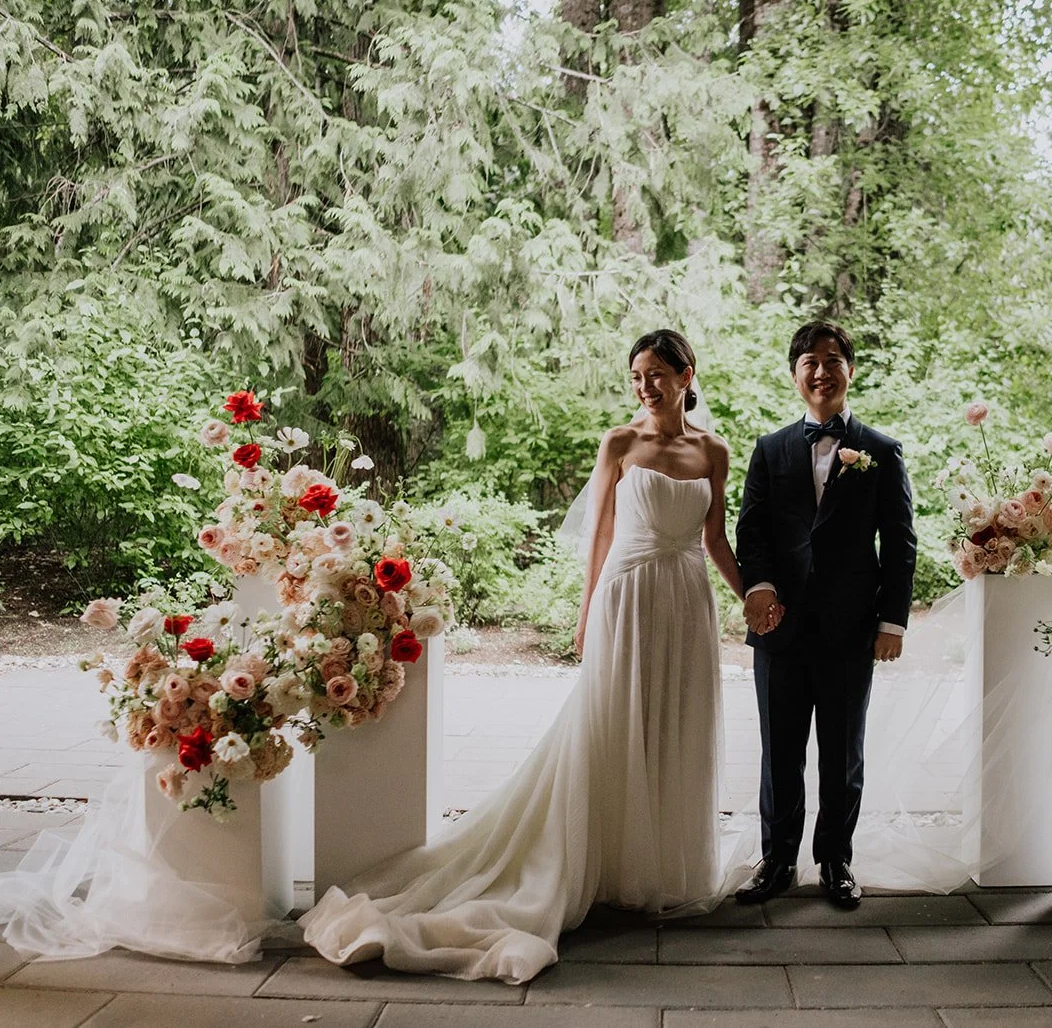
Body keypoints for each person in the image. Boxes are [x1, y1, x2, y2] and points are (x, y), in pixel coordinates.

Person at [300, 329, 743, 983]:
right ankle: (605, 863)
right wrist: (587, 611)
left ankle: (659, 866)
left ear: (686, 375)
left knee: (676, 722)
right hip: (627, 594)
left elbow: (714, 538)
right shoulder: (620, 443)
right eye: (637, 376)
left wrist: (757, 595)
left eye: (656, 374)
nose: (645, 385)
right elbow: (600, 535)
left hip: (687, 600)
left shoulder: (715, 450)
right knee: (615, 725)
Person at [733, 319, 917, 909]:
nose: (821, 370)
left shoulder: (882, 452)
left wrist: (892, 620)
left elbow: (901, 541)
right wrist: (757, 586)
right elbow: (752, 530)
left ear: (850, 371)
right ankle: (777, 859)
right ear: (795, 374)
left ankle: (835, 859)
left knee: (842, 751)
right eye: (809, 361)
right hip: (779, 627)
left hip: (849, 629)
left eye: (832, 359)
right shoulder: (768, 450)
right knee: (779, 749)